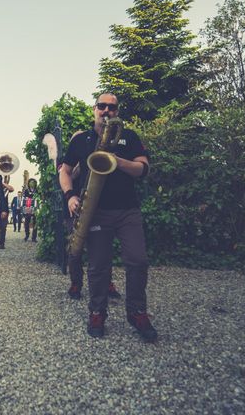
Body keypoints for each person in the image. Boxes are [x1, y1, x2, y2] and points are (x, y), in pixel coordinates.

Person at [59, 93, 157, 343]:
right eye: (101, 106)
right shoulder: (81, 140)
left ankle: (136, 312)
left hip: (127, 210)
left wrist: (117, 161)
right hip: (96, 210)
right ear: (94, 109)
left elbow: (143, 168)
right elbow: (66, 170)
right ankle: (97, 312)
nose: (106, 111)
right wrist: (70, 195)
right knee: (98, 266)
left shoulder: (130, 136)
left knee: (138, 261)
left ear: (117, 111)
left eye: (111, 107)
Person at [64, 159, 121, 301]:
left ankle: (106, 283)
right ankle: (76, 284)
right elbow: (66, 176)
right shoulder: (66, 160)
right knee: (75, 248)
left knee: (102, 248)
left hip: (96, 207)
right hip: (75, 208)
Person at [0, 179, 14, 249]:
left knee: (3, 227)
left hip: (4, 210)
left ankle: (2, 243)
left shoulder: (5, 189)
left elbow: (12, 189)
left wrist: (2, 183)